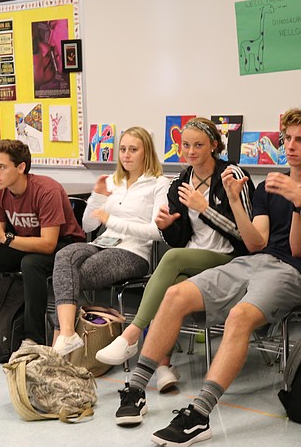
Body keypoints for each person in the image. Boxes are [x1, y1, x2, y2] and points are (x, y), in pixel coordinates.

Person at [115, 108, 301, 447]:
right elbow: (255, 242)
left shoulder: (277, 185)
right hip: (254, 260)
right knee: (175, 295)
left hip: (292, 271)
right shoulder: (268, 184)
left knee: (239, 316)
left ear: (212, 146)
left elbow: (296, 250)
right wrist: (233, 200)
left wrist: (299, 203)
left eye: (299, 140)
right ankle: (137, 389)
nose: (291, 146)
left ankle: (199, 415)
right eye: (287, 139)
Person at [97, 118, 254, 392]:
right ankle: (162, 366)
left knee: (171, 258)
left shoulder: (232, 175)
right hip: (193, 257)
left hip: (230, 258)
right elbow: (179, 237)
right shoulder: (182, 180)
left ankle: (132, 334)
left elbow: (247, 235)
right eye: (185, 145)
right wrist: (166, 226)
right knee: (171, 288)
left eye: (198, 145)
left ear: (214, 146)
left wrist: (205, 208)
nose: (190, 151)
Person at [0, 139, 84, 354]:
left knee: (31, 264)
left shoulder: (47, 190)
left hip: (64, 246)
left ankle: (32, 338)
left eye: (2, 167)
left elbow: (48, 244)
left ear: (21, 168)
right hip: (23, 240)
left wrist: (7, 239)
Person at [50, 127, 169, 356]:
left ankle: (59, 342)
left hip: (134, 252)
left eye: (133, 150)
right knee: (64, 256)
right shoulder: (113, 181)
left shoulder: (159, 183)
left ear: (147, 153)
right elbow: (88, 227)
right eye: (123, 149)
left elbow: (157, 231)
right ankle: (66, 335)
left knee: (69, 277)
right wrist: (97, 197)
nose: (126, 155)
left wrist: (112, 220)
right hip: (102, 243)